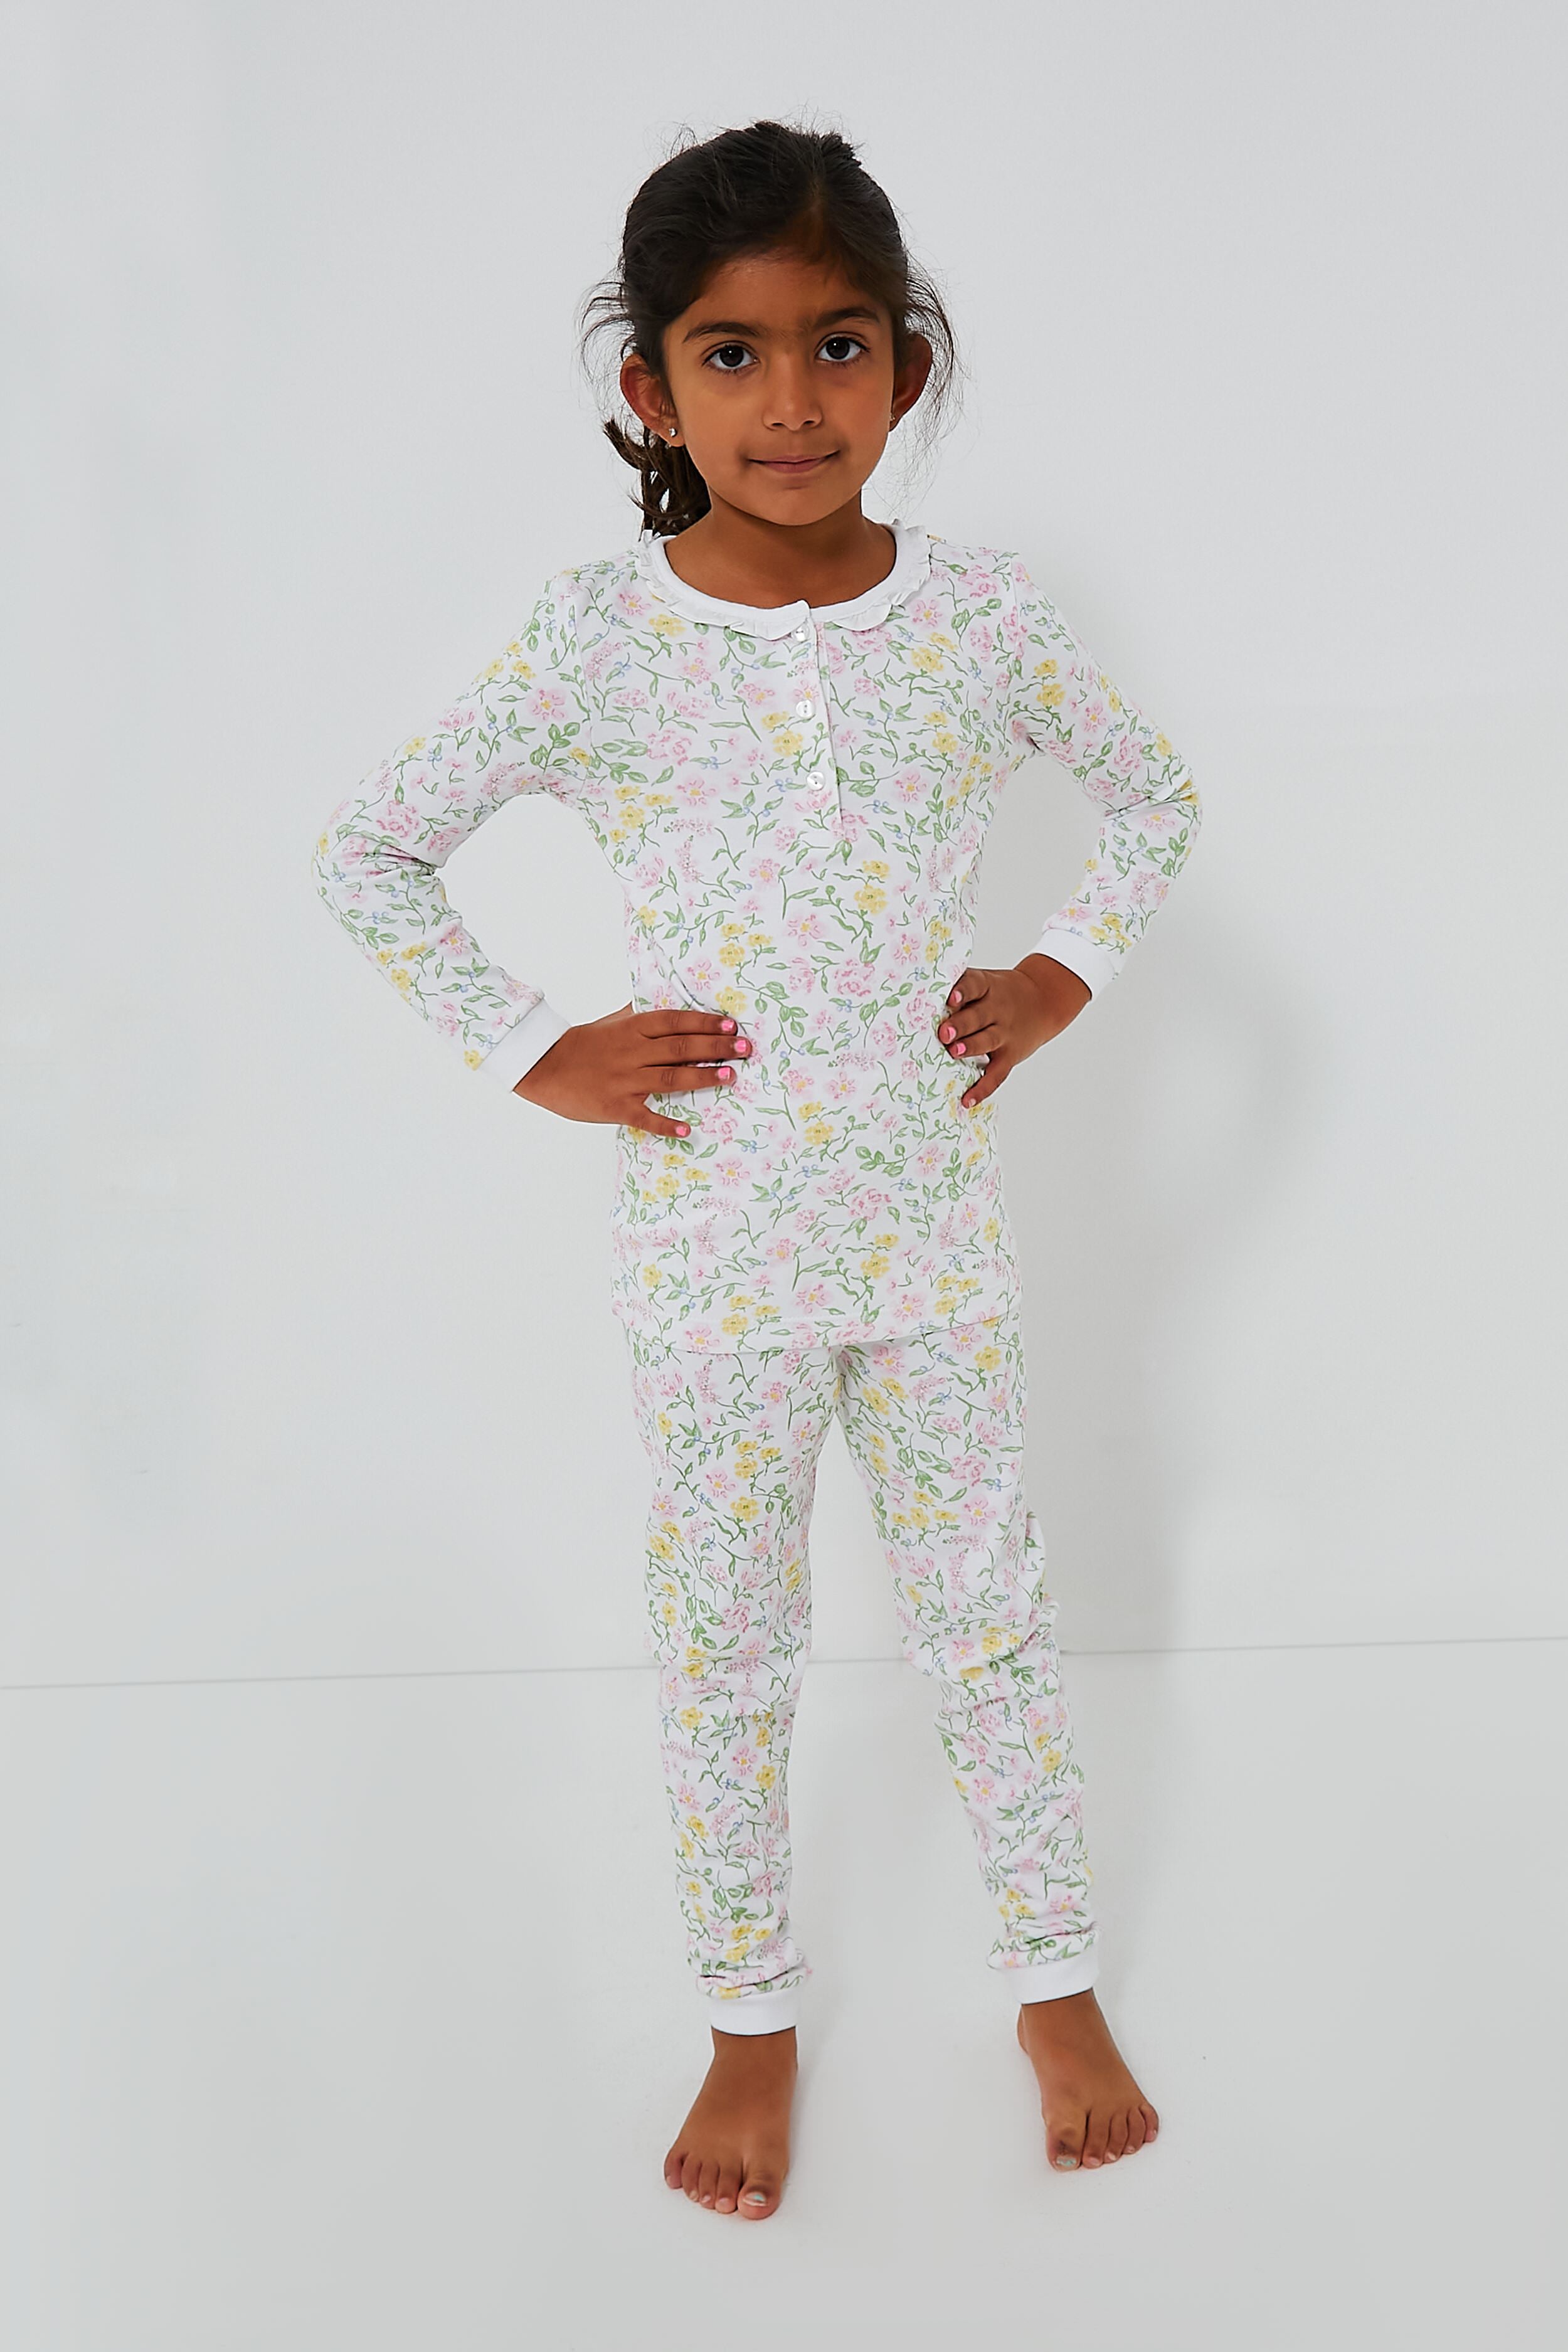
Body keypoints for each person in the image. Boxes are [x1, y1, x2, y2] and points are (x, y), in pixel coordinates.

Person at [310, 118, 1201, 2222]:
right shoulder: (596, 640)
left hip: (932, 1244)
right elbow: (368, 853)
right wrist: (535, 1048)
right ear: (649, 388)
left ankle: (1052, 1979)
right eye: (731, 354)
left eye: (837, 346)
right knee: (726, 1647)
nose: (790, 402)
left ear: (907, 366)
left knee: (990, 1621)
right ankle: (746, 2016)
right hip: (711, 1257)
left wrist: (1060, 973)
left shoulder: (980, 619)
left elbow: (1152, 802)